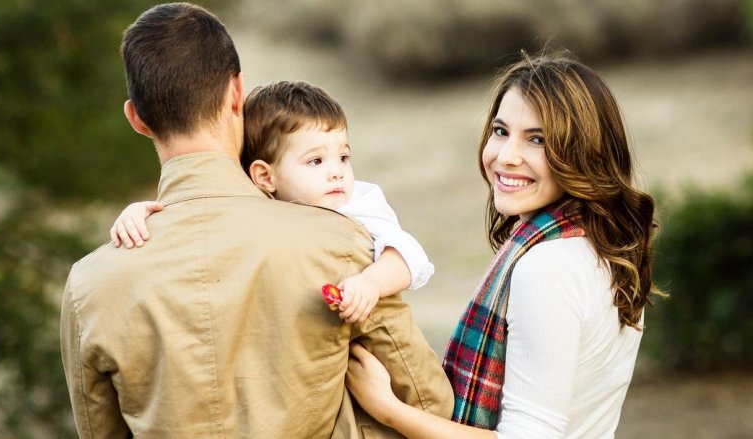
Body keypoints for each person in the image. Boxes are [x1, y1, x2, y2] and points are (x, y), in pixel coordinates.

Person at [59, 3, 452, 438]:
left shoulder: (90, 284)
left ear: (137, 119)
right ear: (236, 94)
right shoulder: (339, 241)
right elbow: (427, 400)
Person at [345, 52, 663, 438]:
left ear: (583, 154)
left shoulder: (549, 266)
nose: (507, 157)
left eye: (538, 140)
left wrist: (388, 408)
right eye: (500, 131)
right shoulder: (602, 247)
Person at [109, 80, 435, 324]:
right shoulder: (257, 204)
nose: (337, 173)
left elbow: (410, 256)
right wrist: (141, 213)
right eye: (316, 162)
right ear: (265, 177)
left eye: (344, 157)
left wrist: (371, 282)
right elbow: (203, 212)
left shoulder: (358, 204)